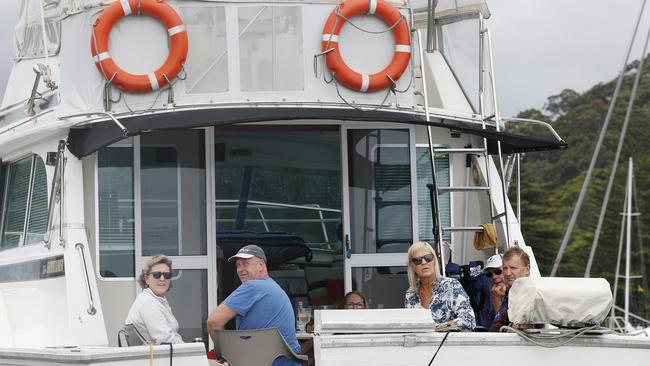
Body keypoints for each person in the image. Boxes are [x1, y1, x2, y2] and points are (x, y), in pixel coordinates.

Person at [206, 245, 300, 366]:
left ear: (261, 265)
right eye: (238, 265)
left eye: (245, 263)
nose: (240, 269)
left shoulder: (252, 286)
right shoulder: (273, 287)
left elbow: (213, 322)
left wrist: (225, 356)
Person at [404, 241, 476, 331]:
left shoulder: (451, 285)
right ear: (412, 267)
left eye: (428, 258)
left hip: (450, 343)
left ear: (434, 261)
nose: (424, 262)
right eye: (417, 260)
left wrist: (440, 328)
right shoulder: (410, 294)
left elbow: (469, 320)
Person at [125, 255, 184, 344]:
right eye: (157, 275)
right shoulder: (148, 303)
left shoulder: (156, 300)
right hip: (158, 357)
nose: (162, 278)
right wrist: (196, 354)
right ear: (146, 279)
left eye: (167, 275)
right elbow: (166, 340)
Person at [489, 247, 531, 332]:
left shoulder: (531, 296)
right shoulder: (510, 294)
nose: (508, 273)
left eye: (513, 268)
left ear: (527, 269)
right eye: (505, 268)